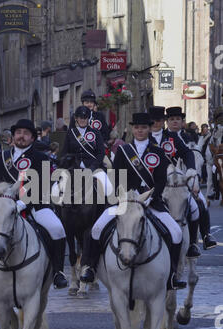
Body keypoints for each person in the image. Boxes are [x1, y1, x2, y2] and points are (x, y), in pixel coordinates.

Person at [80, 112, 186, 290]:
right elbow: (117, 177)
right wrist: (128, 195)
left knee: (176, 232)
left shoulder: (158, 152)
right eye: (137, 127)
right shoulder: (123, 151)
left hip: (151, 201)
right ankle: (90, 268)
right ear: (132, 129)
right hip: (125, 200)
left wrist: (150, 197)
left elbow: (161, 180)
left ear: (149, 129)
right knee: (97, 228)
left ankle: (172, 275)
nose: (140, 130)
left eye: (144, 127)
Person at [0, 118, 68, 293]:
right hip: (4, 207)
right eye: (18, 133)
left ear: (33, 138)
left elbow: (42, 185)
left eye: (26, 134)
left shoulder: (40, 157)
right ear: (12, 137)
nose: (21, 136)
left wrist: (21, 203)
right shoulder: (2, 157)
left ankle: (58, 272)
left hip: (34, 205)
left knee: (56, 228)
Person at [164, 107, 216, 253]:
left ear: (182, 122)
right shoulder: (163, 137)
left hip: (187, 177)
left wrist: (194, 177)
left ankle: (203, 237)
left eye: (178, 119)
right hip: (167, 181)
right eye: (172, 119)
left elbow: (196, 158)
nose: (175, 122)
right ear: (167, 122)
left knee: (200, 203)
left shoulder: (190, 138)